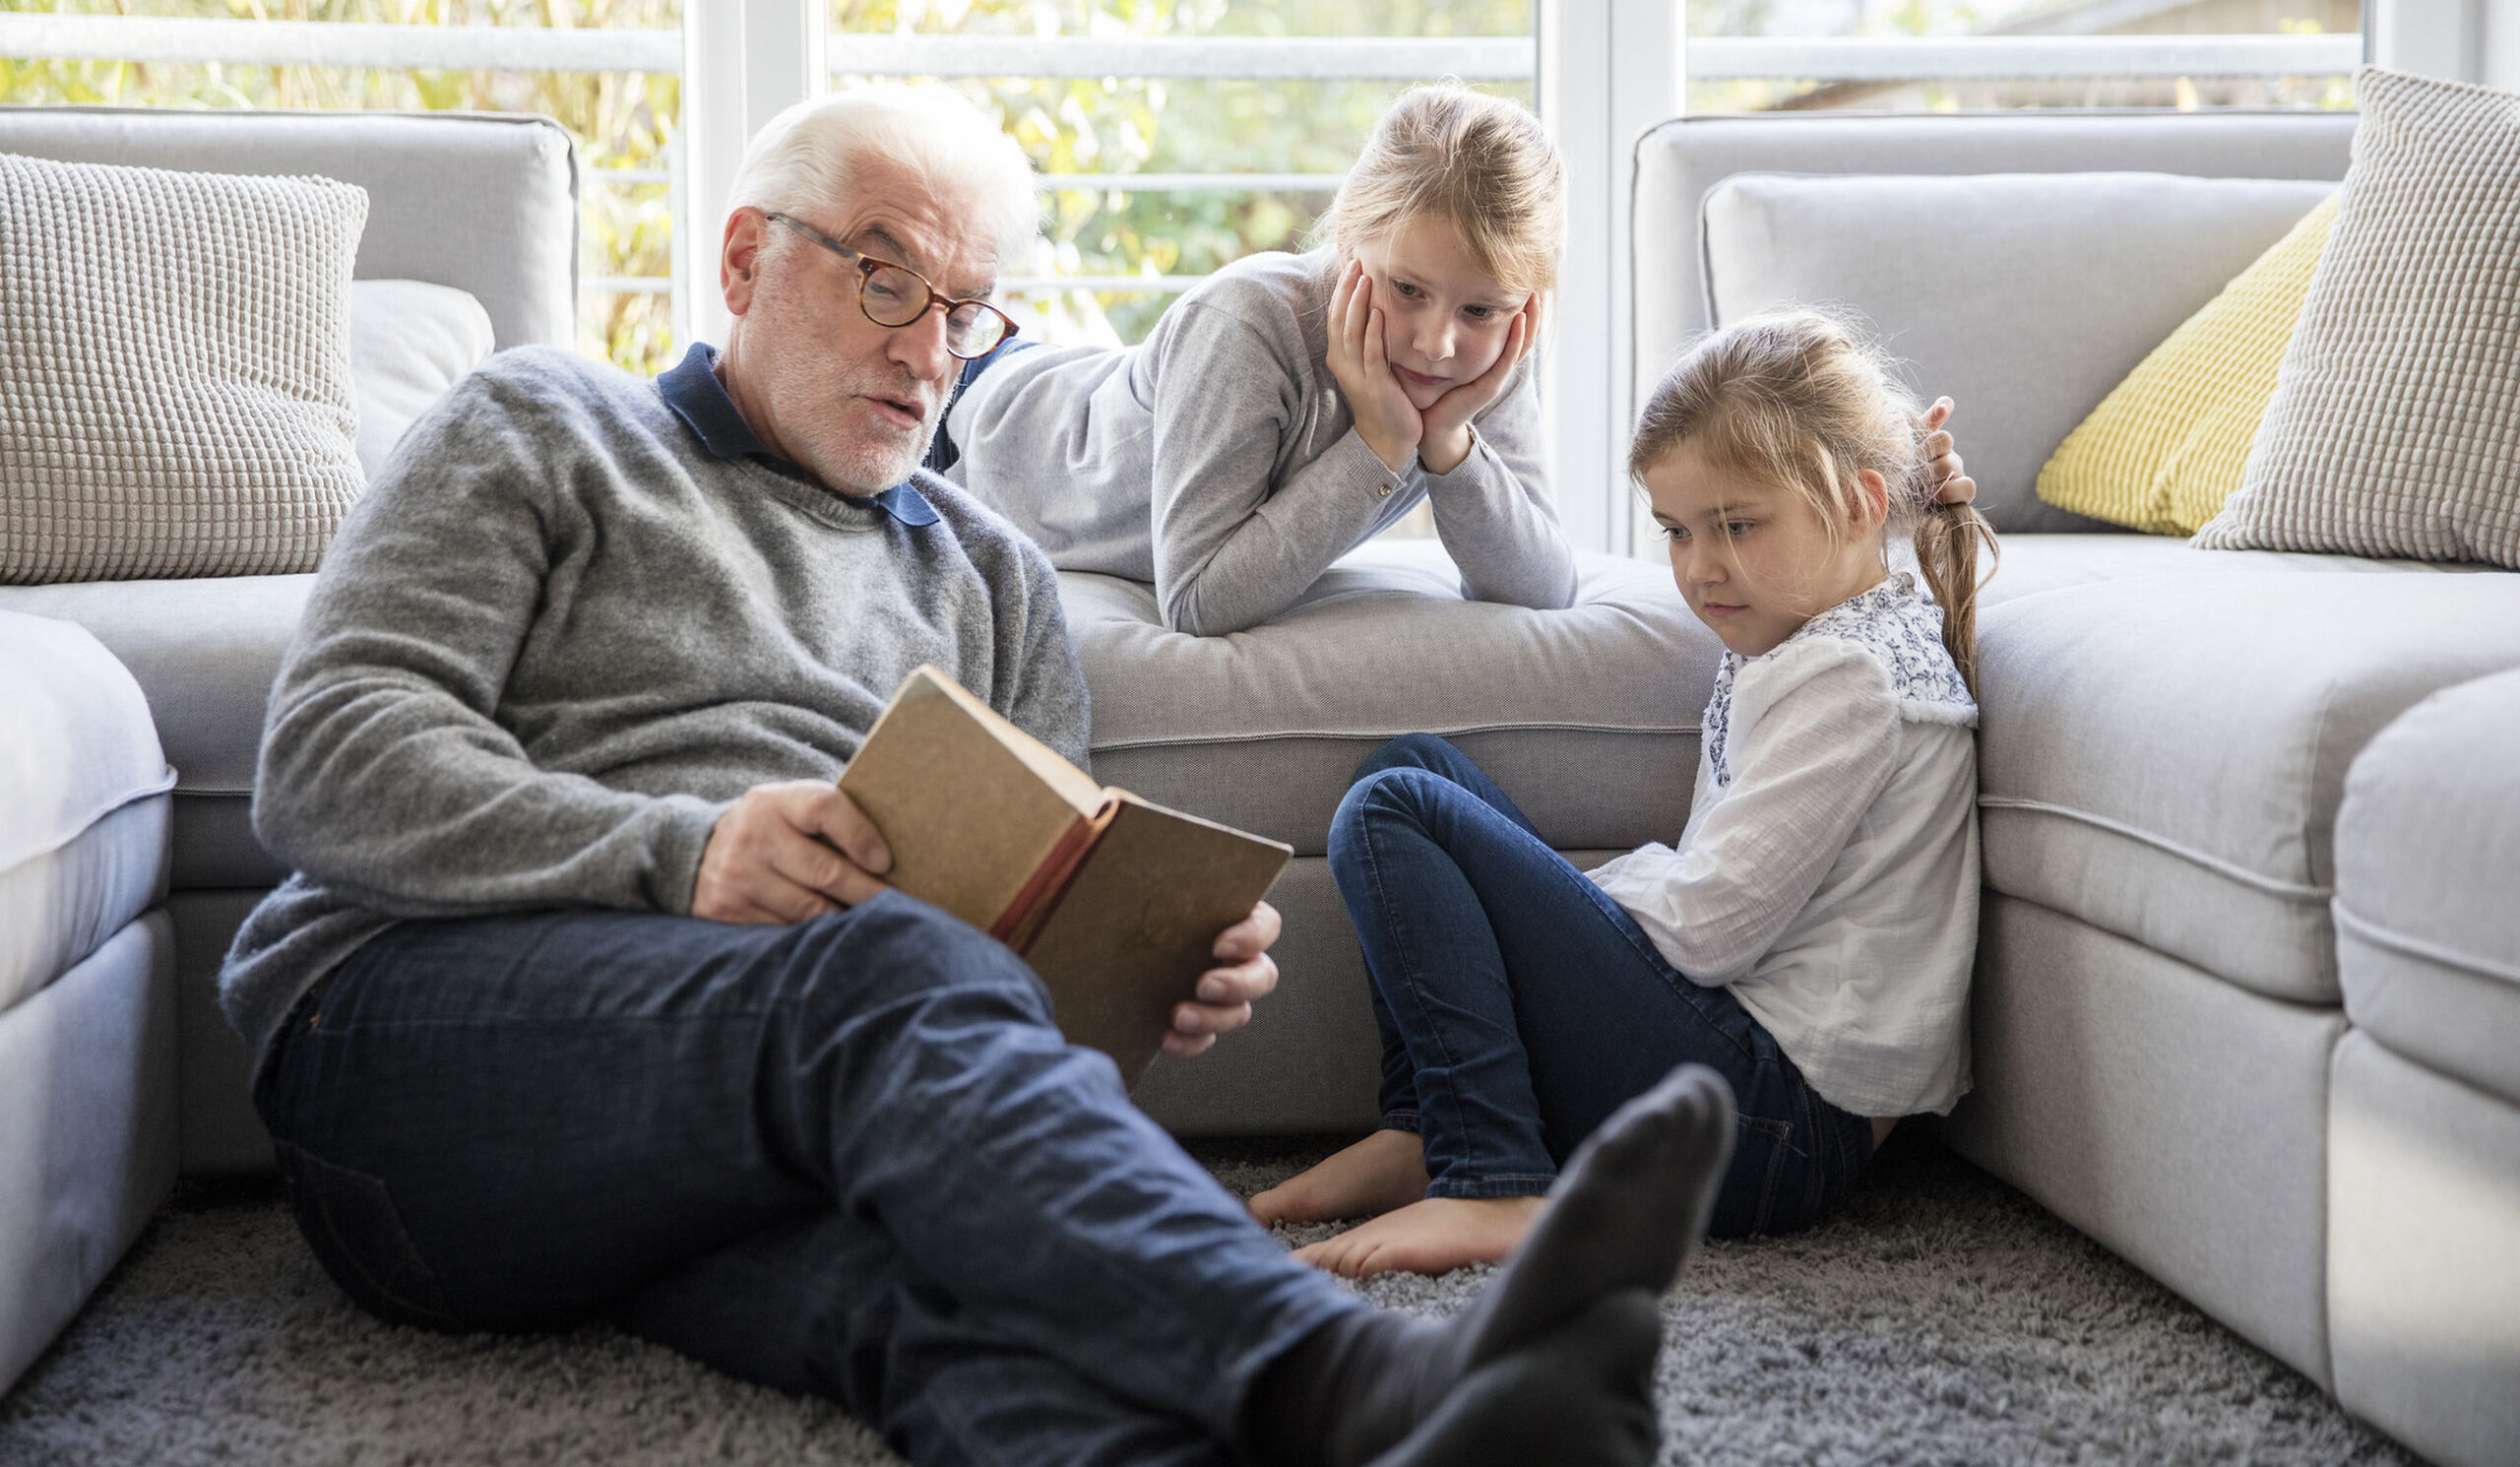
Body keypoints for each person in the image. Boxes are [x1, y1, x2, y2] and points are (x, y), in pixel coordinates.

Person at [222, 83, 1744, 1467]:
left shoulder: (995, 581)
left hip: (750, 1135)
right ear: (747, 258)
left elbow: (1002, 1020)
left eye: (964, 309)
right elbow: (330, 759)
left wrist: (1143, 973)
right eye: (885, 276)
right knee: (874, 967)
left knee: (952, 1297)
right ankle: (1367, 1380)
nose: (925, 348)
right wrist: (679, 855)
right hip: (415, 1069)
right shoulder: (547, 424)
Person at [1253, 308, 2000, 1280]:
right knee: (1411, 764)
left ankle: (1493, 1177)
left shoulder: (1851, 680)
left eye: (1736, 525)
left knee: (1399, 810)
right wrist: (1528, 903)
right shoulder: (1810, 640)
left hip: (1771, 1131)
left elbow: (1709, 928)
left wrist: (1543, 903)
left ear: (1860, 503)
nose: (1699, 567)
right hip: (1740, 1091)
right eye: (1678, 531)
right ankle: (1428, 1126)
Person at [941, 84, 1578, 636]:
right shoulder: (1246, 322)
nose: (1437, 344)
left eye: (1480, 311)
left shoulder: (1484, 358)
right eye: (1408, 290)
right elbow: (1198, 601)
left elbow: (1544, 589)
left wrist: (1450, 445)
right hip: (966, 416)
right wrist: (1380, 446)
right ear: (1348, 238)